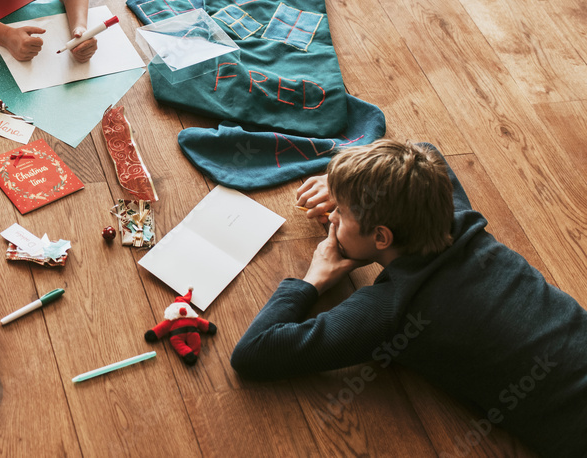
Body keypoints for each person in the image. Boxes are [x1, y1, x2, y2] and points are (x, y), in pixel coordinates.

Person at [230, 139, 587, 456]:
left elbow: (254, 351)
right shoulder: (454, 217)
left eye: (341, 210)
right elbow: (424, 151)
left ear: (381, 237)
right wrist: (351, 183)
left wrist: (313, 281)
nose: (333, 215)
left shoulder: (393, 309)